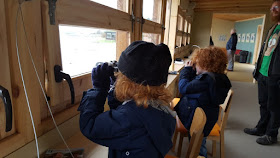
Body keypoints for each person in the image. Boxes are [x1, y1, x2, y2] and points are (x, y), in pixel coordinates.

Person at [78, 41, 176, 157]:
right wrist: (114, 90)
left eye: (121, 75)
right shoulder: (158, 105)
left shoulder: (129, 118)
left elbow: (89, 125)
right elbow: (125, 113)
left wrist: (98, 90)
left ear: (128, 82)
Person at [174, 47, 232, 157]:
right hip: (208, 117)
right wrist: (193, 71)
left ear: (205, 65)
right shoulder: (215, 78)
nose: (194, 66)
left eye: (196, 64)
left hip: (200, 121)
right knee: (200, 143)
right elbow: (194, 85)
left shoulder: (205, 81)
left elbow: (184, 88)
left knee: (199, 148)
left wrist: (186, 70)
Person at [244, 0, 280, 145]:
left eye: (276, 7)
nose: (273, 10)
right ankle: (261, 128)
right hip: (264, 73)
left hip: (276, 76)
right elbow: (264, 51)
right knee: (263, 103)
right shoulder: (273, 28)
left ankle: (271, 135)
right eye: (272, 8)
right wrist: (257, 69)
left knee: (275, 107)